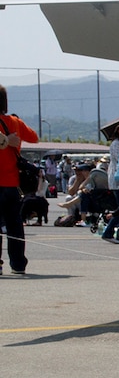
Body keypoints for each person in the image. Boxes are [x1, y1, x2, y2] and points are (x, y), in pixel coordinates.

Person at [0, 84, 39, 276]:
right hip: (13, 184)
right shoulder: (14, 122)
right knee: (15, 225)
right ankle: (18, 264)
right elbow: (34, 137)